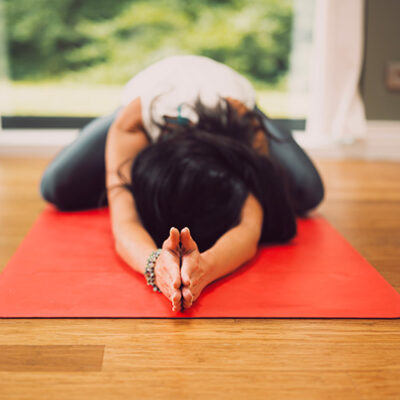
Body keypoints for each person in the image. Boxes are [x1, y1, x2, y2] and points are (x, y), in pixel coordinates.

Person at [39, 54, 324, 312]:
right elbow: (124, 222)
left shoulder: (242, 126)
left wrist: (204, 270)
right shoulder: (133, 123)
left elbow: (250, 225)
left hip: (232, 95)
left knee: (308, 192)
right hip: (146, 91)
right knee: (55, 187)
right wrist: (155, 265)